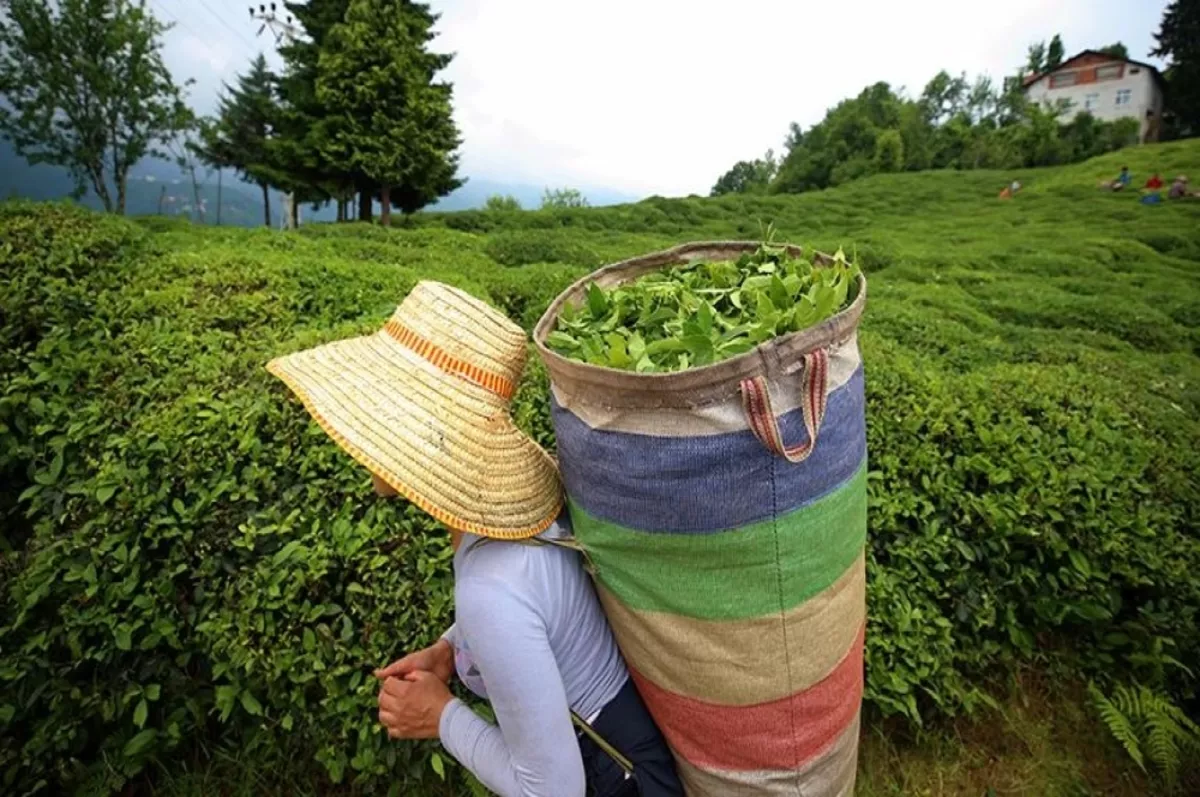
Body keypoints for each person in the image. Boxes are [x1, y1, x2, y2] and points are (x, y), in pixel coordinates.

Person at [266, 281, 684, 797]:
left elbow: (552, 791)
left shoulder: (489, 589)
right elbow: (539, 608)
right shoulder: (515, 529)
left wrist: (440, 717)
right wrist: (449, 650)